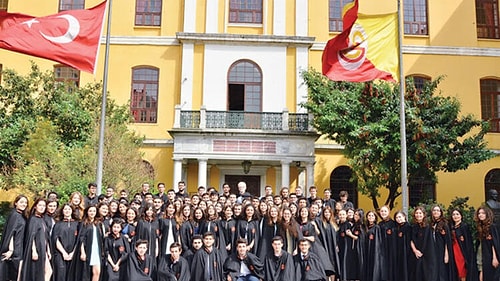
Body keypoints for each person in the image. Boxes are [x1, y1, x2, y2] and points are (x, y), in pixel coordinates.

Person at [19, 198, 52, 281]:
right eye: (40, 205)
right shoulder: (33, 219)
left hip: (43, 249)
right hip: (36, 249)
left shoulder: (42, 219)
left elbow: (46, 236)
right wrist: (33, 250)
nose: (42, 207)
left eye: (44, 205)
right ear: (35, 207)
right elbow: (31, 236)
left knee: (48, 271)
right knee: (37, 272)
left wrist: (48, 250)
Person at [69, 205, 105, 281]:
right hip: (87, 249)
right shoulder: (83, 223)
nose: (92, 213)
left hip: (96, 250)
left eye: (94, 211)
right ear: (87, 212)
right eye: (90, 211)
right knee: (85, 273)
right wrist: (82, 252)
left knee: (97, 271)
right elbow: (81, 238)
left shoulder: (99, 223)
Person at [0, 195, 28, 281]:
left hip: (19, 248)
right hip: (15, 249)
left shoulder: (21, 215)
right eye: (21, 202)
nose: (24, 204)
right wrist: (10, 250)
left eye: (25, 203)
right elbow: (11, 233)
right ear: (16, 203)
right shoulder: (15, 215)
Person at [52, 203, 79, 281]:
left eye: (69, 209)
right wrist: (63, 253)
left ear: (72, 211)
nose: (67, 211)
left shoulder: (77, 224)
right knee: (61, 275)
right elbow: (55, 239)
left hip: (74, 254)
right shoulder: (58, 224)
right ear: (62, 211)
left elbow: (79, 240)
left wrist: (72, 253)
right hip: (61, 254)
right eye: (65, 209)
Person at [449, 208, 478, 281]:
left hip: (462, 252)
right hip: (454, 251)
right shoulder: (451, 227)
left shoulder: (464, 226)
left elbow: (468, 242)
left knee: (462, 270)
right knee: (456, 271)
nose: (455, 216)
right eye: (454, 214)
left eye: (457, 214)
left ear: (461, 216)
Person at [410, 206, 437, 281]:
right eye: (416, 213)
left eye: (420, 213)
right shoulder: (413, 226)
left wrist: (422, 252)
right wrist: (415, 251)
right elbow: (411, 240)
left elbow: (429, 241)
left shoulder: (428, 226)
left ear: (424, 214)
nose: (418, 215)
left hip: (427, 255)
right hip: (416, 254)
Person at [475, 206, 500, 281]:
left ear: (487, 214)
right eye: (479, 213)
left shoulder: (492, 226)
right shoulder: (481, 226)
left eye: (483, 213)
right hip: (482, 254)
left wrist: (495, 258)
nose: (480, 215)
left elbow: (494, 243)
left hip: (490, 255)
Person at [430, 204, 452, 281]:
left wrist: (446, 254)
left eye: (438, 210)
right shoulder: (431, 224)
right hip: (433, 251)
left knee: (442, 271)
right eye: (434, 210)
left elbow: (447, 240)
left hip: (442, 251)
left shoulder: (444, 224)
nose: (436, 212)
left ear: (441, 212)